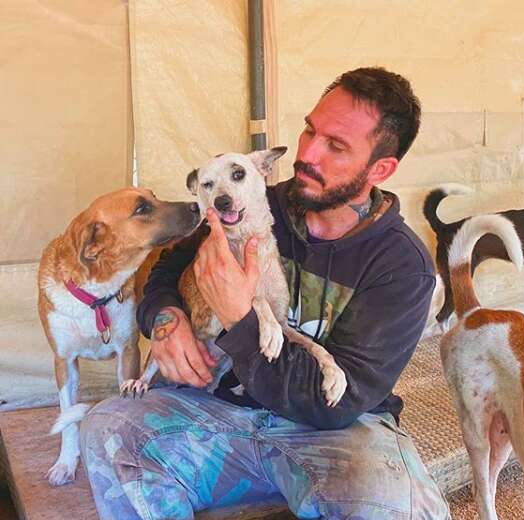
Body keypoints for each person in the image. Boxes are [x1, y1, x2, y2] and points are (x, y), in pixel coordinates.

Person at [80, 67, 450, 519]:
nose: (307, 152)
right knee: (107, 427)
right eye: (310, 129)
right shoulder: (248, 199)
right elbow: (166, 270)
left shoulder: (402, 266)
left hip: (332, 432)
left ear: (381, 169)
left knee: (399, 507)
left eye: (335, 145)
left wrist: (240, 318)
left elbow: (336, 403)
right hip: (218, 412)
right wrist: (166, 320)